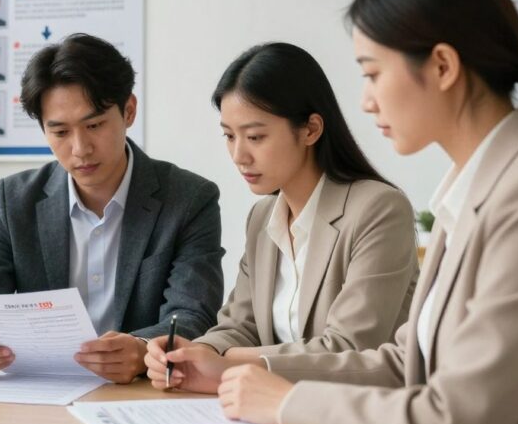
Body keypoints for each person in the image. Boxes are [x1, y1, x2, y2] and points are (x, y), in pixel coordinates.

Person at [206, 0, 518, 424]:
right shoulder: (475, 191)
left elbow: (453, 423)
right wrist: (251, 370)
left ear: (442, 66)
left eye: (373, 73)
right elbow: (405, 363)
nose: (365, 100)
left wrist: (286, 402)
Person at [0, 33, 225, 384]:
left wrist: (140, 348)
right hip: (42, 398)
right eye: (59, 132)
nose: (80, 149)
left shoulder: (189, 198)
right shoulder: (15, 200)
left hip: (140, 396)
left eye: (94, 125)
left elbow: (193, 315)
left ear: (129, 110)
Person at [144, 42, 418, 394]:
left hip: (358, 414)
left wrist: (231, 363)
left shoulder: (378, 209)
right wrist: (193, 352)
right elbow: (238, 326)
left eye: (255, 136)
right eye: (229, 136)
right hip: (271, 412)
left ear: (310, 130)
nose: (239, 155)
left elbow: (350, 347)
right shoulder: (262, 218)